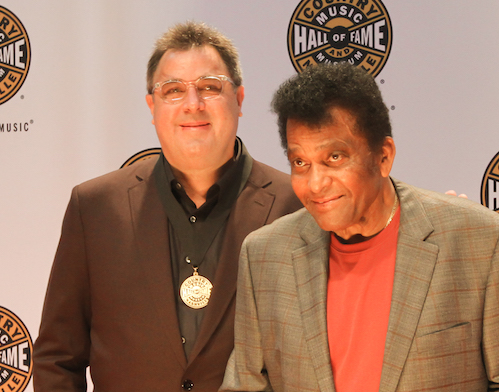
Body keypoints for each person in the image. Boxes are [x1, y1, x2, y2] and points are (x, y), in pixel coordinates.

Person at [220, 63, 499, 392]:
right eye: (300, 163)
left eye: (335, 158)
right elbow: (247, 384)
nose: (315, 183)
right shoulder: (264, 255)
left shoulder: (481, 242)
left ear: (383, 156)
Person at [32, 21, 302, 391]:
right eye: (173, 90)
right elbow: (57, 359)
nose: (193, 104)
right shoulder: (94, 208)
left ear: (239, 100)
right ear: (152, 106)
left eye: (209, 87)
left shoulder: (297, 204)